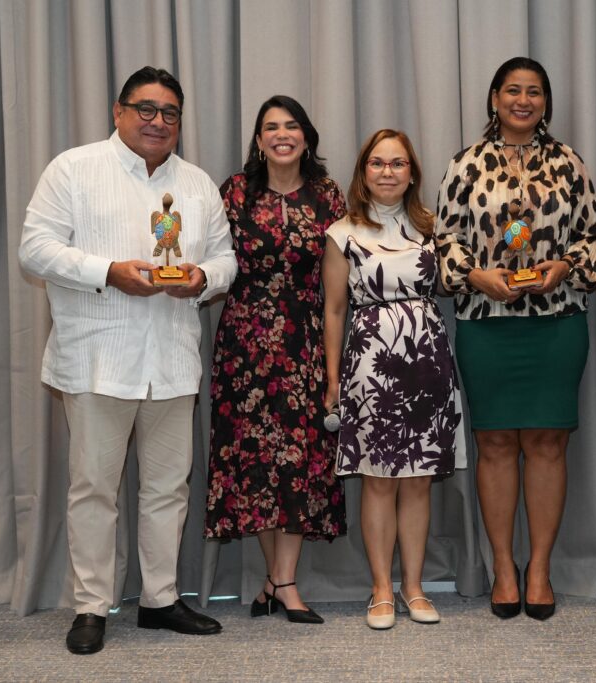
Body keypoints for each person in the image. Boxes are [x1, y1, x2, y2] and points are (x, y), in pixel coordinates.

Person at [19, 66, 236, 654]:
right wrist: (109, 272)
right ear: (118, 112)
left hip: (171, 360)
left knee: (168, 488)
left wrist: (202, 279)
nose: (157, 121)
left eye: (170, 113)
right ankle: (91, 606)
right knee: (94, 488)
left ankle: (160, 600)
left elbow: (225, 259)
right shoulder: (74, 169)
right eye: (146, 109)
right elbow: (34, 249)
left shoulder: (197, 184)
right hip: (97, 359)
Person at [435, 57, 596, 620]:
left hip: (556, 321)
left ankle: (539, 569)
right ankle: (504, 568)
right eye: (513, 90)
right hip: (485, 323)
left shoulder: (569, 163)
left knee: (548, 443)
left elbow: (595, 235)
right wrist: (474, 275)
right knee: (495, 444)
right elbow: (444, 241)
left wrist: (565, 267)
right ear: (494, 98)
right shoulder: (465, 164)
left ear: (545, 102)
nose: (523, 101)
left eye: (534, 92)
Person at [204, 95, 346, 624]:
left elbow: (336, 291)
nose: (281, 134)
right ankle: (281, 581)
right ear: (259, 140)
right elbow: (215, 260)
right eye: (270, 127)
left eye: (291, 126)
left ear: (306, 137)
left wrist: (333, 370)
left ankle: (279, 582)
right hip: (244, 346)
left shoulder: (328, 195)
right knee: (258, 465)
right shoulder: (235, 192)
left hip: (305, 341)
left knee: (300, 460)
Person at [322, 130, 467, 629]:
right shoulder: (342, 233)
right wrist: (332, 378)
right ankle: (381, 588)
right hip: (370, 366)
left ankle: (415, 587)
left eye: (398, 163)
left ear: (412, 173)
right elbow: (334, 310)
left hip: (427, 362)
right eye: (378, 163)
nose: (388, 172)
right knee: (379, 481)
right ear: (364, 171)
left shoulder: (433, 228)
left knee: (419, 481)